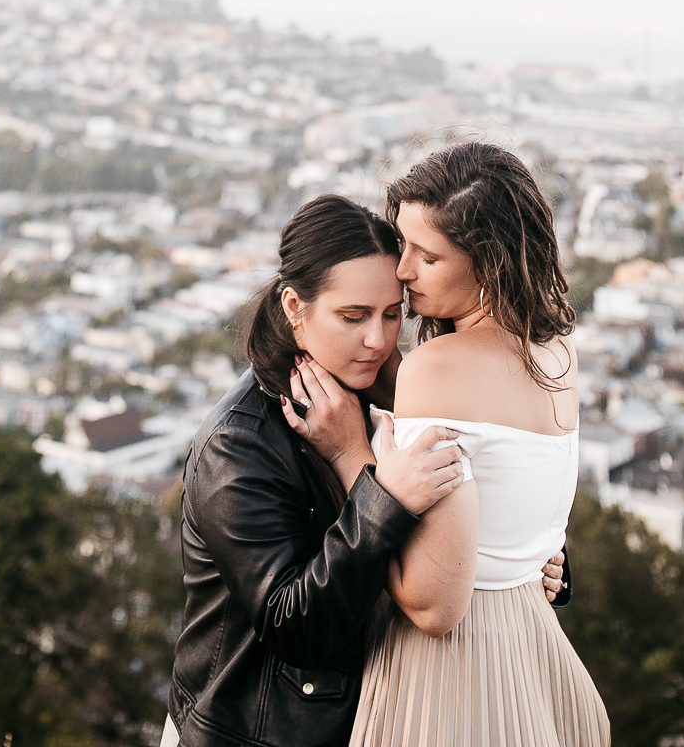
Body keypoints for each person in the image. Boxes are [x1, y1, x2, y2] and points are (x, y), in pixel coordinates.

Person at [165, 192, 566, 747]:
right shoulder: (239, 444)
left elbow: (464, 514)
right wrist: (382, 496)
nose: (377, 340)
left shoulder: (395, 387)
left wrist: (533, 564)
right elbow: (294, 626)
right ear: (294, 308)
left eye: (391, 314)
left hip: (372, 716)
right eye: (352, 317)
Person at [349, 140, 609, 747]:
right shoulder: (560, 353)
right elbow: (523, 523)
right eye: (401, 245)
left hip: (449, 674)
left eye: (427, 256)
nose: (403, 270)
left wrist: (347, 457)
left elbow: (431, 603)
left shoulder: (435, 370)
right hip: (533, 649)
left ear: (488, 265)